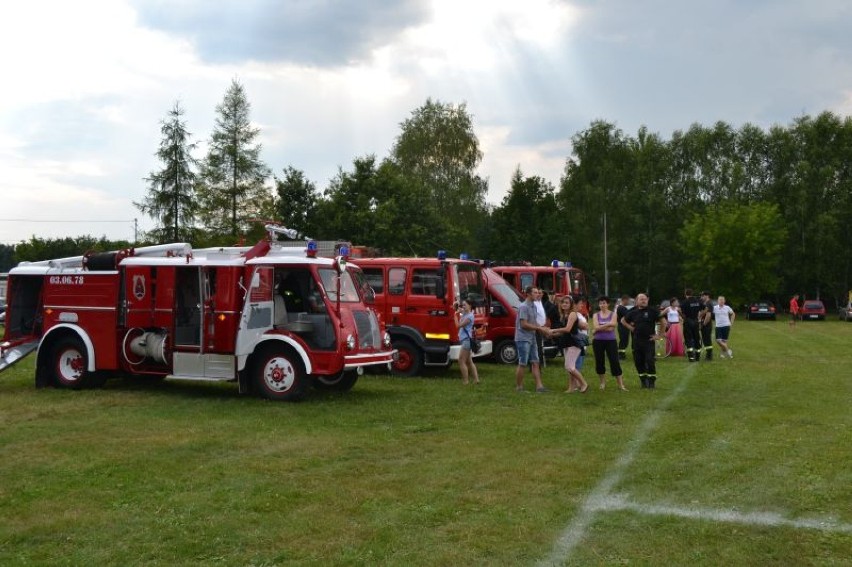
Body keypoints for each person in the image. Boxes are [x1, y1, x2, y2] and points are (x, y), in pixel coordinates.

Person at [620, 293, 666, 389]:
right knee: (638, 362)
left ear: (647, 300)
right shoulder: (633, 312)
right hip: (636, 341)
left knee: (650, 361)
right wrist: (630, 327)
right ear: (637, 301)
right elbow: (622, 320)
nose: (644, 300)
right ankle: (643, 381)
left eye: (645, 299)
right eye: (641, 299)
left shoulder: (653, 311)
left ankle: (652, 382)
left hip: (648, 341)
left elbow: (663, 322)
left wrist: (659, 335)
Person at [515, 286, 550, 393]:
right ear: (528, 294)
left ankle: (539, 387)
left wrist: (544, 330)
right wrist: (540, 328)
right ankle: (519, 387)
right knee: (523, 363)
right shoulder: (523, 307)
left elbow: (534, 323)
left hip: (532, 337)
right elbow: (524, 324)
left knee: (536, 362)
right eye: (535, 292)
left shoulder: (534, 306)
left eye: (538, 292)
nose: (538, 294)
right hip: (523, 338)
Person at [551, 295, 588, 393]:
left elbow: (567, 329)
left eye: (567, 303)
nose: (564, 304)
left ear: (571, 304)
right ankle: (571, 388)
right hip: (566, 342)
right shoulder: (564, 315)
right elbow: (563, 332)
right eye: (563, 302)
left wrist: (554, 330)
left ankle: (583, 383)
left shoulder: (572, 314)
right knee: (569, 367)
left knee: (569, 367)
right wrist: (551, 333)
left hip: (574, 343)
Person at [591, 296, 626, 391]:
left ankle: (620, 384)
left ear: (608, 304)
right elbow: (596, 326)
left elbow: (612, 327)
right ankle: (602, 383)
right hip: (598, 341)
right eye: (600, 303)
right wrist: (607, 324)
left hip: (611, 341)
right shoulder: (595, 315)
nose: (602, 305)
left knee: (614, 361)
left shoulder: (613, 314)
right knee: (599, 362)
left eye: (604, 303)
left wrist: (598, 328)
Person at [453, 298, 480, 385]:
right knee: (469, 361)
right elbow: (457, 308)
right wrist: (456, 306)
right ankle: (476, 380)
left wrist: (455, 315)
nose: (463, 307)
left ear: (470, 306)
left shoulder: (469, 317)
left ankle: (465, 381)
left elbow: (458, 326)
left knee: (461, 361)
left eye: (465, 305)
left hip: (466, 341)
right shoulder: (466, 313)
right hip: (465, 340)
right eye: (463, 305)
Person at [681, 289, 703, 362]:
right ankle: (697, 357)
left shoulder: (684, 302)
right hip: (696, 321)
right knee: (697, 339)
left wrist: (679, 312)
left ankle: (691, 357)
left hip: (688, 321)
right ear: (692, 293)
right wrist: (700, 317)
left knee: (688, 339)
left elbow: (683, 315)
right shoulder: (698, 301)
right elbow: (705, 308)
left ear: (686, 294)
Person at [616, 295, 632, 360]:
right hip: (622, 327)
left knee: (625, 341)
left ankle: (621, 354)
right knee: (623, 341)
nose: (628, 302)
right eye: (628, 300)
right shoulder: (621, 308)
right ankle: (620, 355)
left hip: (624, 326)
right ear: (624, 300)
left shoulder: (622, 308)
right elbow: (628, 316)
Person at [699, 291, 714, 361]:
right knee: (705, 340)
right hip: (704, 324)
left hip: (707, 325)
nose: (701, 297)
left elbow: (708, 315)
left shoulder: (709, 303)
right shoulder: (706, 303)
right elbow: (703, 312)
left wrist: (704, 324)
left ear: (707, 296)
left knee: (707, 340)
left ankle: (709, 355)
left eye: (702, 296)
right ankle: (708, 354)